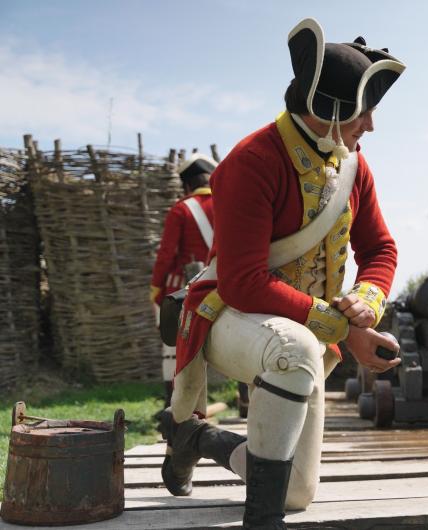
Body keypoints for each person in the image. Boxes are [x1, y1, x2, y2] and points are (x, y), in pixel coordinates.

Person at [156, 18, 404, 528]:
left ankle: (196, 438)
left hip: (305, 335)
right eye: (365, 112)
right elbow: (242, 281)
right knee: (295, 351)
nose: (371, 126)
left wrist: (368, 301)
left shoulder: (355, 166)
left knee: (297, 493)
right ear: (329, 110)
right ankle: (261, 520)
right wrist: (343, 329)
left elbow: (380, 248)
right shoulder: (252, 160)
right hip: (230, 315)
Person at [150, 153, 216, 408]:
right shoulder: (228, 204)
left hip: (183, 287)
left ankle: (172, 404)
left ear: (187, 184)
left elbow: (166, 254)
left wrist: (156, 288)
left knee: (173, 346)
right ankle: (244, 398)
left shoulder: (181, 209)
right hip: (225, 284)